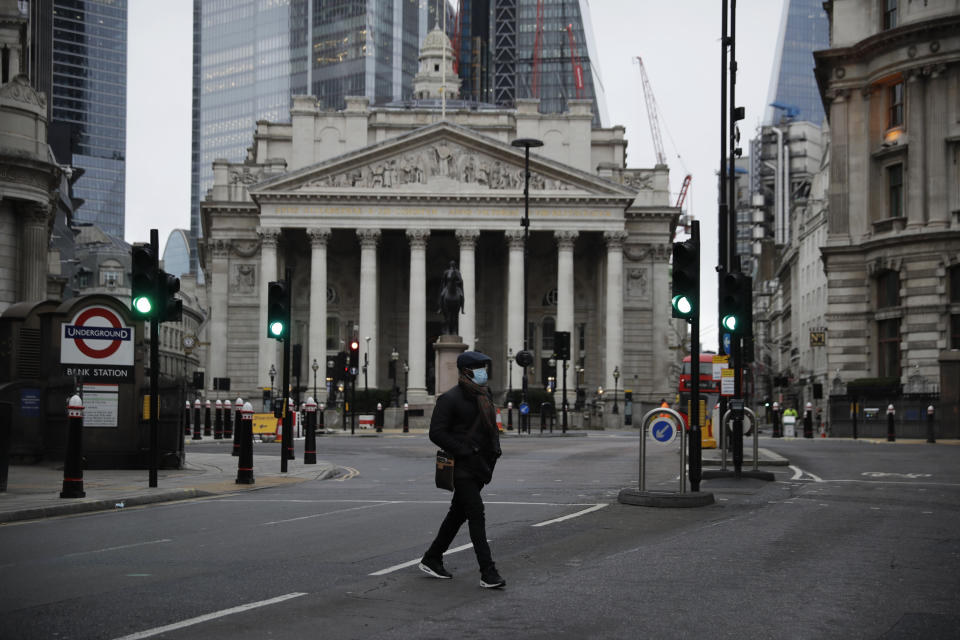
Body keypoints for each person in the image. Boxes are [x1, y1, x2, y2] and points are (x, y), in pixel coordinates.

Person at [420, 350, 505, 588]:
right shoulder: (450, 399)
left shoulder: (484, 395)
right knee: (476, 512)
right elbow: (436, 433)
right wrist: (464, 450)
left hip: (480, 466)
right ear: (467, 371)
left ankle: (432, 557)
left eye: (484, 368)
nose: (483, 372)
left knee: (458, 514)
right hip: (461, 467)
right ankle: (488, 572)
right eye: (479, 368)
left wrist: (494, 451)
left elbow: (490, 429)